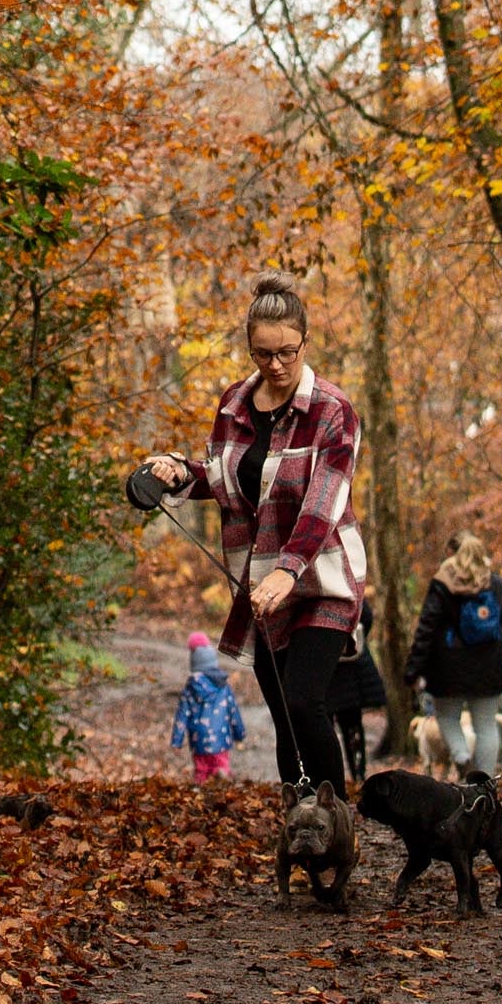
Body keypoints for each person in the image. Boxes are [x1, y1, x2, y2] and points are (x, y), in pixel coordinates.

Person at [132, 278, 367, 802]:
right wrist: (177, 472)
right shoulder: (234, 404)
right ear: (249, 348)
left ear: (305, 342)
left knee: (306, 702)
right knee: (285, 717)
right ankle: (301, 823)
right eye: (263, 353)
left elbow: (322, 504)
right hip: (260, 587)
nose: (276, 364)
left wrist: (289, 570)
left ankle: (335, 821)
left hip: (322, 579)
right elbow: (227, 481)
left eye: (287, 351)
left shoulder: (333, 410)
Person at [404, 529, 502, 775]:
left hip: (448, 667)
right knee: (486, 726)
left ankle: (463, 758)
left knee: (446, 717)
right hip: (489, 665)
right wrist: (500, 655)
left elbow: (427, 628)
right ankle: (485, 784)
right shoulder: (496, 584)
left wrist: (414, 669)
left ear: (451, 554)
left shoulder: (443, 584)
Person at [172, 631, 247, 783]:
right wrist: (240, 734)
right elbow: (233, 711)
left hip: (198, 740)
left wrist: (176, 741)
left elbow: (182, 715)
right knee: (222, 766)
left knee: (201, 770)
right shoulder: (223, 686)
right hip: (221, 738)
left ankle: (201, 793)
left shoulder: (190, 688)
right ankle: (223, 786)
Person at [328, 605, 387, 783]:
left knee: (325, 726)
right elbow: (366, 616)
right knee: (352, 727)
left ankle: (329, 777)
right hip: (351, 666)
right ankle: (358, 774)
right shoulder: (349, 585)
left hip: (329, 673)